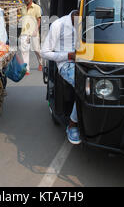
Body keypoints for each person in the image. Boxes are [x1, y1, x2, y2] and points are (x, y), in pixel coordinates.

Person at [40, 10, 80, 145]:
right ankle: (73, 125)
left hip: (86, 62)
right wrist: (68, 55)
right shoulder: (58, 25)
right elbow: (44, 52)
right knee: (83, 87)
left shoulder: (88, 22)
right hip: (67, 64)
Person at [20, 0, 43, 75]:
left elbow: (38, 20)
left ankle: (41, 63)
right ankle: (26, 69)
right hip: (24, 32)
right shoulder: (22, 8)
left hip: (34, 32)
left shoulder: (37, 7)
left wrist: (36, 30)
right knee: (24, 51)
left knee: (37, 50)